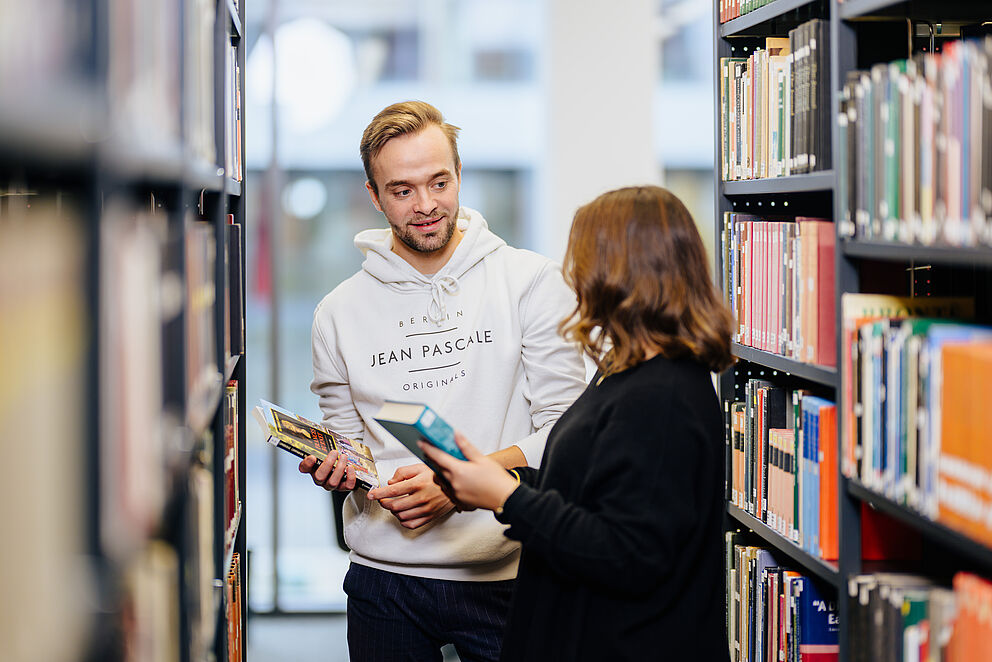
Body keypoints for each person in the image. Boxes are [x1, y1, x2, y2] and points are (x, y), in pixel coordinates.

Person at [300, 100, 587, 661]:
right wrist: (338, 469)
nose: (427, 205)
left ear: (459, 174)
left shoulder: (530, 282)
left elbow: (566, 433)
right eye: (403, 190)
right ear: (374, 195)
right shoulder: (336, 313)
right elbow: (350, 443)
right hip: (384, 580)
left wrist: (457, 484)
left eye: (439, 181)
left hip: (508, 572)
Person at [422, 185, 736, 662]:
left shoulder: (665, 395)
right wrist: (498, 480)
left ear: (622, 271)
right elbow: (588, 485)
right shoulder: (625, 371)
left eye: (586, 259)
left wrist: (507, 497)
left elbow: (628, 553)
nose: (578, 276)